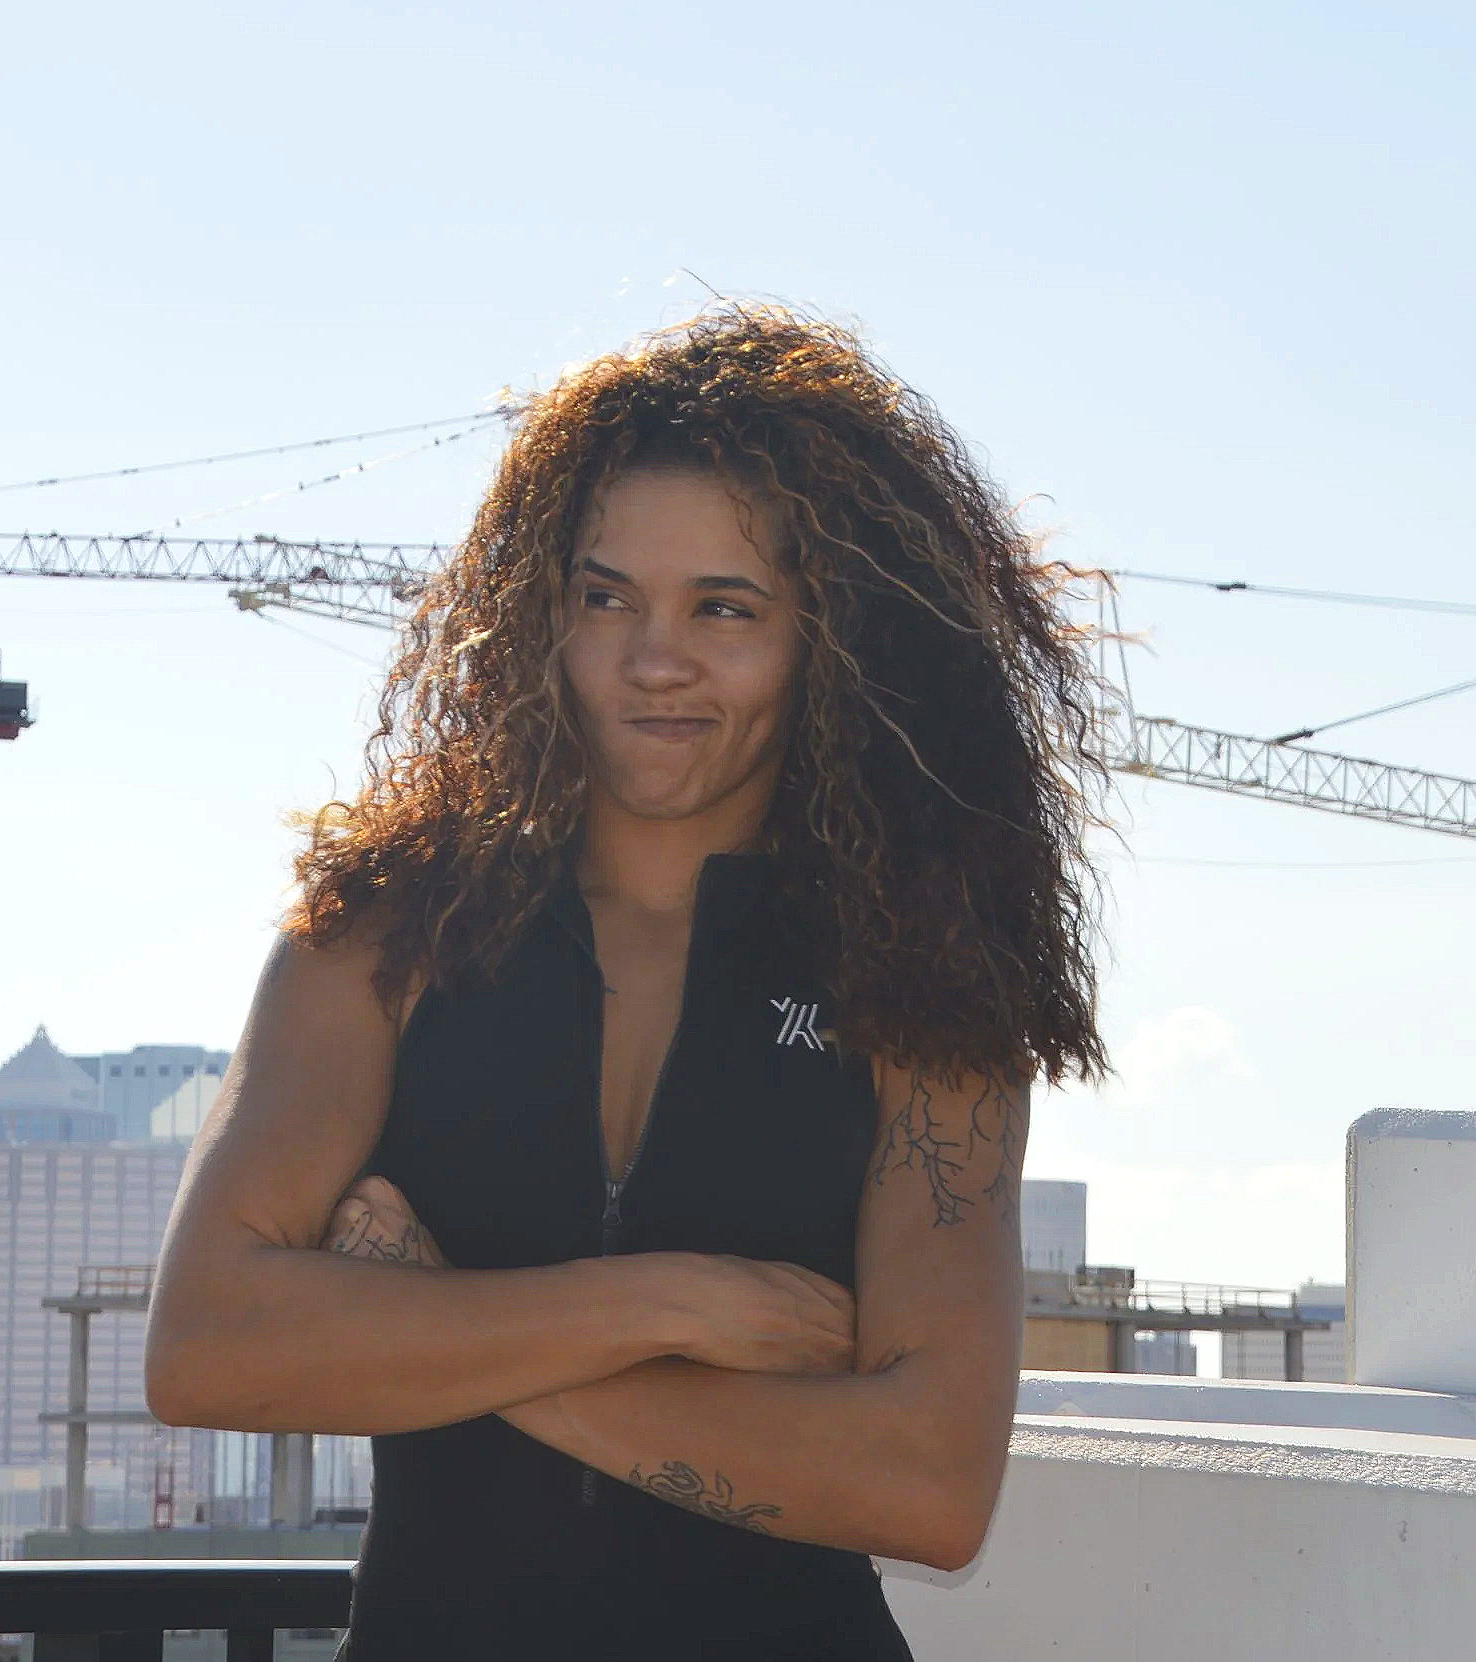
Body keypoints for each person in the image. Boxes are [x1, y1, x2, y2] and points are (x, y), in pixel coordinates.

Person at [145, 305, 1108, 1660]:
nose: (656, 658)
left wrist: (432, 1316)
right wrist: (661, 1303)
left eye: (725, 607)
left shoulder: (924, 986)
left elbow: (930, 1482)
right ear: (541, 614)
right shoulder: (383, 936)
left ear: (833, 639)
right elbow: (203, 1344)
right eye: (608, 598)